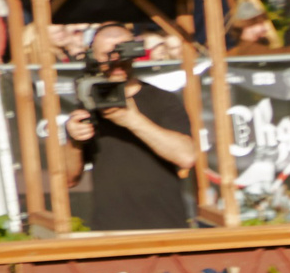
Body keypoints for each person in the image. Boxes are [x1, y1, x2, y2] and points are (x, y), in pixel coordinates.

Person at [59, 21, 198, 231]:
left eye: (122, 53)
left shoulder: (162, 99)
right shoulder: (88, 104)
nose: (116, 61)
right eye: (107, 55)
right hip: (110, 230)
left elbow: (187, 157)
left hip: (166, 227)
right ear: (94, 56)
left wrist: (132, 120)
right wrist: (74, 141)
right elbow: (68, 179)